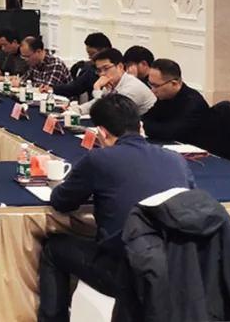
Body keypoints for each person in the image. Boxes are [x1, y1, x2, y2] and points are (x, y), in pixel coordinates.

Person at [38, 94, 195, 322]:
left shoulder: (99, 159)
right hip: (178, 266)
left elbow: (62, 201)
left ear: (101, 133)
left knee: (53, 249)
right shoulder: (176, 160)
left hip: (125, 271)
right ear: (140, 127)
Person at [142, 58, 209, 146]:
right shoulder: (164, 97)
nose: (152, 90)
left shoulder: (193, 103)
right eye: (150, 84)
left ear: (174, 83)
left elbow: (170, 132)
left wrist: (146, 126)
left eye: (156, 86)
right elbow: (145, 119)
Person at [84, 48, 156, 114]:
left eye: (106, 68)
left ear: (120, 67)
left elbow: (109, 113)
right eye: (99, 70)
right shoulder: (111, 84)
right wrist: (78, 110)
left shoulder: (132, 87)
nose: (102, 74)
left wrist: (97, 88)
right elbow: (93, 104)